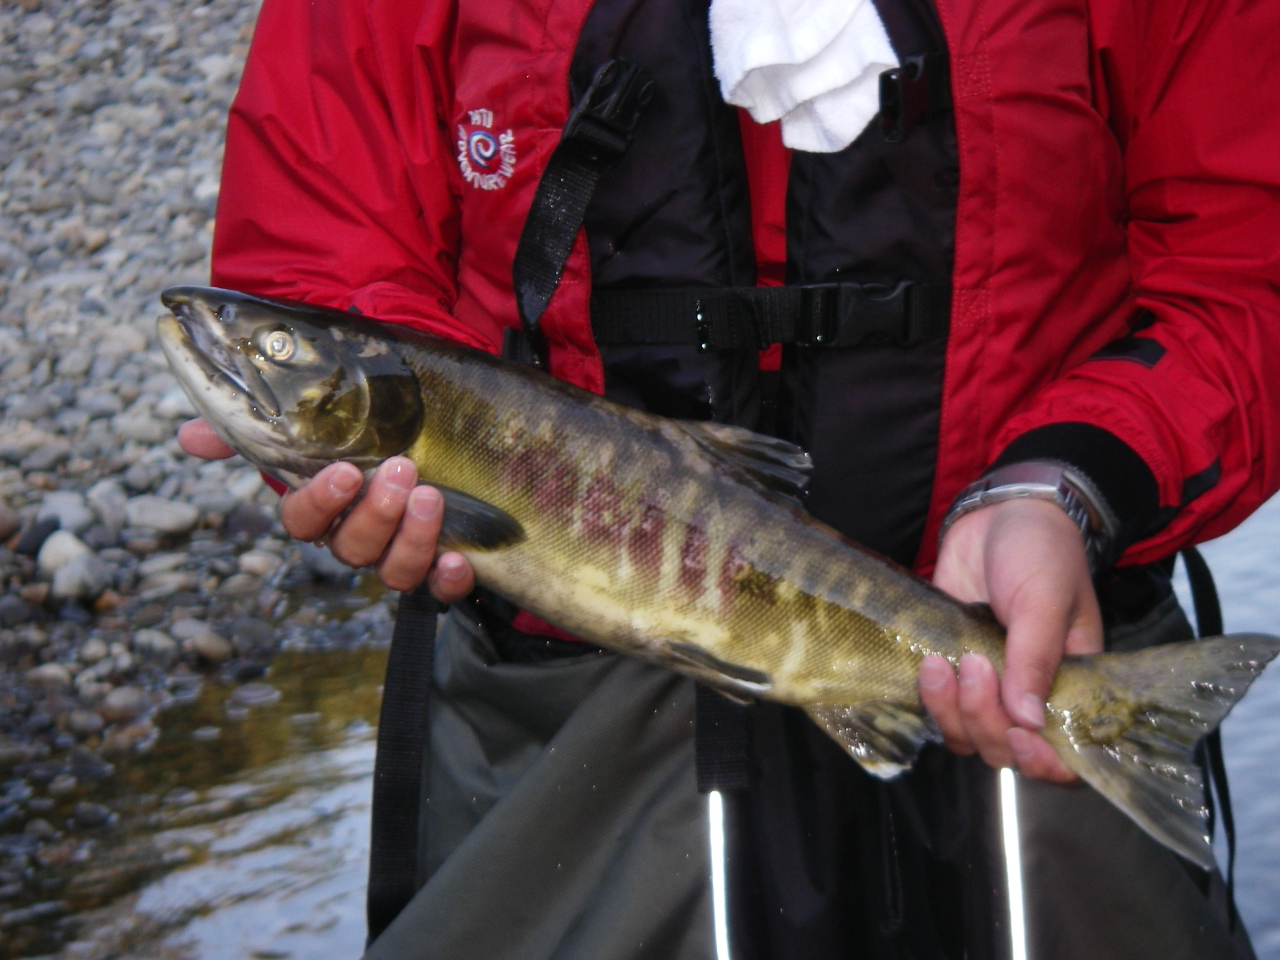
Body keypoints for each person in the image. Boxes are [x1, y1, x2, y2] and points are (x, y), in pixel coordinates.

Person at [178, 0, 1280, 956]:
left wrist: (1066, 483)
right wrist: (356, 464)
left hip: (1039, 660)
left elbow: (1245, 265)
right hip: (563, 739)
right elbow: (317, 260)